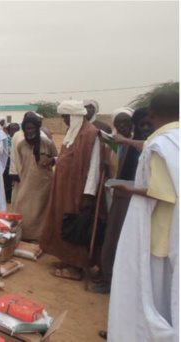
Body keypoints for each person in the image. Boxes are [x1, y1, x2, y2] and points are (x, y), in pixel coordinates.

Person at [107, 92, 178, 342]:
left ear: (151, 114)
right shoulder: (172, 140)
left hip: (160, 230)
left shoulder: (162, 145)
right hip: (172, 229)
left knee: (151, 290)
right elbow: (147, 145)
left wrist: (128, 188)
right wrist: (126, 141)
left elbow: (161, 192)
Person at [40, 100, 103, 281]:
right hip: (64, 189)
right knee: (63, 223)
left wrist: (88, 194)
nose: (65, 121)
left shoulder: (91, 135)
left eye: (66, 117)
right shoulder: (73, 132)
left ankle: (76, 267)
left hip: (78, 191)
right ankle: (67, 259)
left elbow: (94, 168)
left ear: (74, 116)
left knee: (76, 226)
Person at [92, 107, 152, 294]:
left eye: (127, 123)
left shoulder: (140, 144)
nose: (123, 127)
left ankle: (115, 280)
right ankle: (108, 275)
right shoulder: (120, 144)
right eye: (119, 124)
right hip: (117, 195)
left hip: (135, 198)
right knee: (112, 237)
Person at [12, 116, 58, 242]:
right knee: (23, 208)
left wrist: (51, 160)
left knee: (41, 211)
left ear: (37, 129)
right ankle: (25, 235)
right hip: (26, 181)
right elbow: (21, 162)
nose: (29, 131)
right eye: (27, 129)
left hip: (44, 183)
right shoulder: (21, 145)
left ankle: (39, 236)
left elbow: (58, 158)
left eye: (32, 128)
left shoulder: (47, 143)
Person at [9, 112, 50, 208]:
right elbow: (13, 154)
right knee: (19, 199)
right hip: (20, 174)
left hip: (36, 175)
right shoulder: (17, 135)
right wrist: (13, 172)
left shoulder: (43, 136)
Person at [4, 123, 20, 204]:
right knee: (7, 180)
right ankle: (8, 197)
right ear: (8, 131)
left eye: (16, 130)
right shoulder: (5, 140)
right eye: (12, 130)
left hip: (18, 162)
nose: (14, 131)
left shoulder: (21, 139)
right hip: (7, 162)